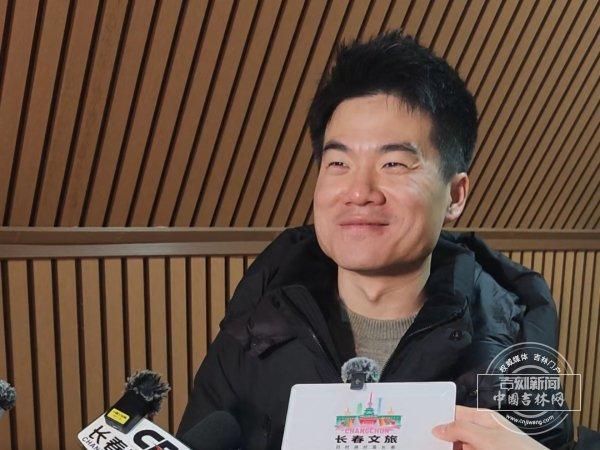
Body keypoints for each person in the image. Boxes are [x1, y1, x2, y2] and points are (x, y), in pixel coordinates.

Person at [177, 30, 573, 449]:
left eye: (394, 163)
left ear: (455, 196)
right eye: (338, 163)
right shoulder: (257, 324)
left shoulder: (512, 346)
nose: (359, 191)